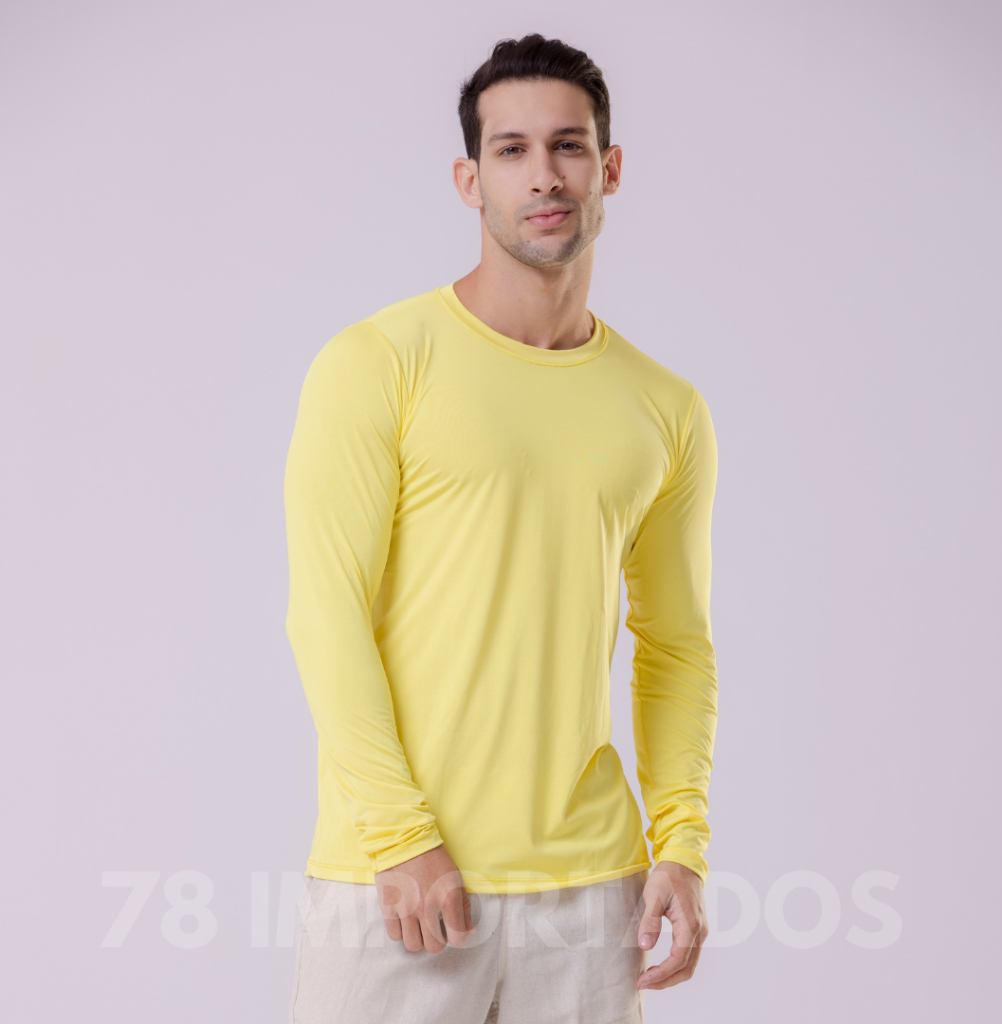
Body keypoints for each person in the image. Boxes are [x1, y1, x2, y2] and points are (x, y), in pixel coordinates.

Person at [283, 32, 719, 1024]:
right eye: (511, 150)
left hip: (590, 890)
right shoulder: (378, 362)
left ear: (609, 169)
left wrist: (682, 844)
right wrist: (399, 835)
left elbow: (676, 645)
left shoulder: (666, 407)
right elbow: (326, 614)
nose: (543, 175)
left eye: (568, 146)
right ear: (469, 180)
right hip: (396, 878)